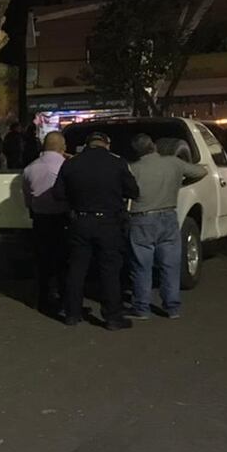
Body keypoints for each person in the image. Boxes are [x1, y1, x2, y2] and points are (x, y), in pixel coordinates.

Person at [53, 132, 140, 330]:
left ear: (87, 145)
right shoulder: (117, 163)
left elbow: (58, 193)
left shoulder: (72, 164)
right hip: (109, 222)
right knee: (110, 270)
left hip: (80, 220)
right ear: (106, 145)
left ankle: (72, 313)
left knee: (76, 269)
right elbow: (133, 191)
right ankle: (112, 317)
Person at [125, 134, 208, 321]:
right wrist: (181, 182)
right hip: (169, 216)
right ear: (154, 146)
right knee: (170, 265)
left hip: (142, 219)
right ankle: (172, 307)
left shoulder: (132, 168)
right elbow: (201, 172)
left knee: (142, 266)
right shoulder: (173, 163)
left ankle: (142, 308)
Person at [22, 132, 69, 318]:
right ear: (62, 147)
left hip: (40, 220)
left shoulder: (30, 168)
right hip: (62, 219)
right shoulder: (66, 166)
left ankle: (43, 299)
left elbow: (28, 199)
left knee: (43, 261)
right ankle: (64, 299)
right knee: (63, 261)